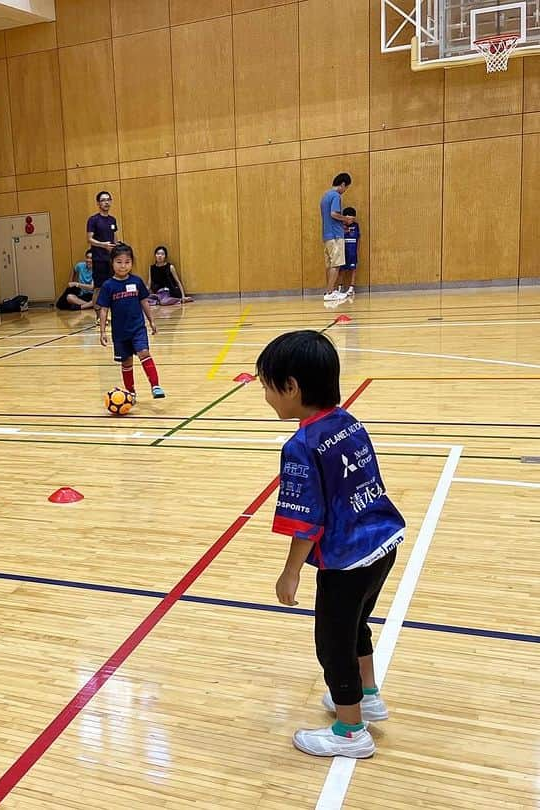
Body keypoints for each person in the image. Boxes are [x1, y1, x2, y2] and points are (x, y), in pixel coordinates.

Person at [257, 330, 406, 759]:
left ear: (291, 388)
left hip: (348, 560)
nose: (266, 396)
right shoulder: (348, 422)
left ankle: (349, 731)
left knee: (332, 642)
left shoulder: (300, 445)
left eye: (268, 387)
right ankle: (369, 695)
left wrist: (289, 573)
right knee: (355, 624)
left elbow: (305, 519)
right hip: (382, 542)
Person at [97, 243, 164, 399]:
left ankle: (155, 385)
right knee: (126, 363)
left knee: (144, 352)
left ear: (132, 263)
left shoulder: (136, 281)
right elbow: (104, 309)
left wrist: (152, 321)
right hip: (120, 333)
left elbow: (144, 302)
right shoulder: (108, 286)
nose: (123, 266)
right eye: (119, 262)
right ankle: (131, 393)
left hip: (138, 328)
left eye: (127, 262)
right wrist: (102, 331)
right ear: (112, 263)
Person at [86, 190, 119, 323]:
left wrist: (118, 246)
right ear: (98, 203)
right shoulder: (93, 220)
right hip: (99, 258)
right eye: (103, 200)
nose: (106, 202)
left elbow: (115, 238)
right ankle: (99, 316)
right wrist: (102, 245)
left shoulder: (112, 220)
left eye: (108, 200)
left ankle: (109, 313)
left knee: (111, 286)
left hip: (111, 259)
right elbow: (90, 239)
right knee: (99, 288)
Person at [320, 173, 351, 303]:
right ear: (343, 184)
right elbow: (334, 214)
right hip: (335, 236)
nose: (345, 190)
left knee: (331, 265)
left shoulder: (325, 196)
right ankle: (330, 292)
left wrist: (340, 225)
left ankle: (330, 290)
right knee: (336, 264)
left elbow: (328, 217)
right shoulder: (336, 196)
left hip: (327, 235)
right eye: (346, 187)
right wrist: (346, 219)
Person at [340, 207, 360, 300]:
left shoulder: (356, 225)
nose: (349, 221)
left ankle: (351, 287)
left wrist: (357, 250)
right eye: (347, 218)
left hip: (352, 251)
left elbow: (358, 238)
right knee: (342, 269)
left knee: (353, 269)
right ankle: (340, 287)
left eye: (351, 218)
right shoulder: (340, 226)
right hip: (343, 251)